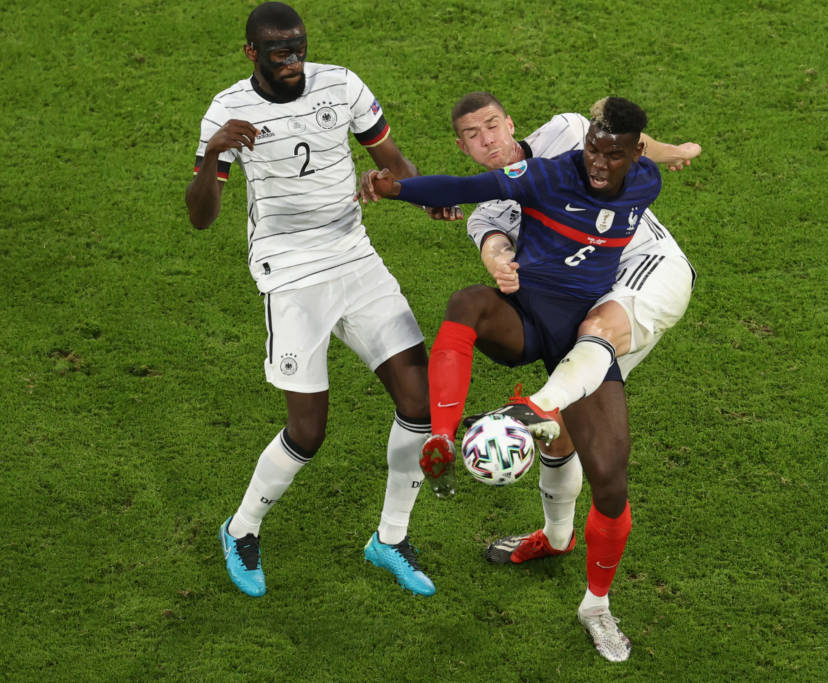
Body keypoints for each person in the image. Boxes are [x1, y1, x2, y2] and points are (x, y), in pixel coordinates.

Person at [359, 97, 661, 661]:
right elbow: (465, 188)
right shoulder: (549, 174)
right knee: (468, 302)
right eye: (592, 151)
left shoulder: (647, 182)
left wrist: (683, 149)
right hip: (524, 321)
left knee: (611, 482)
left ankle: (596, 606)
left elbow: (653, 155)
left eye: (612, 155)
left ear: (635, 154)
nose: (598, 164)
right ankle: (443, 434)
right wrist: (396, 189)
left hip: (583, 342)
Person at [186, 1, 458, 599]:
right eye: (279, 52)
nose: (293, 61)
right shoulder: (227, 111)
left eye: (299, 48)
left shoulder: (342, 85)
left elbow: (392, 162)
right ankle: (240, 529)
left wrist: (421, 194)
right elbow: (201, 217)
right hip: (289, 271)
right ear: (252, 53)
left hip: (355, 257)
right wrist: (213, 155)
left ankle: (390, 538)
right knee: (307, 431)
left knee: (420, 402)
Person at [447, 93, 699, 579]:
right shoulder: (488, 211)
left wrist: (677, 152)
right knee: (564, 416)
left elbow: (629, 141)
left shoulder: (565, 132)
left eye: (492, 126)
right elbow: (493, 244)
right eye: (473, 136)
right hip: (584, 302)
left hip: (647, 272)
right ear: (463, 148)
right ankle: (557, 535)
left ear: (510, 123)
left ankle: (533, 409)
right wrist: (499, 263)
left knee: (587, 350)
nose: (488, 140)